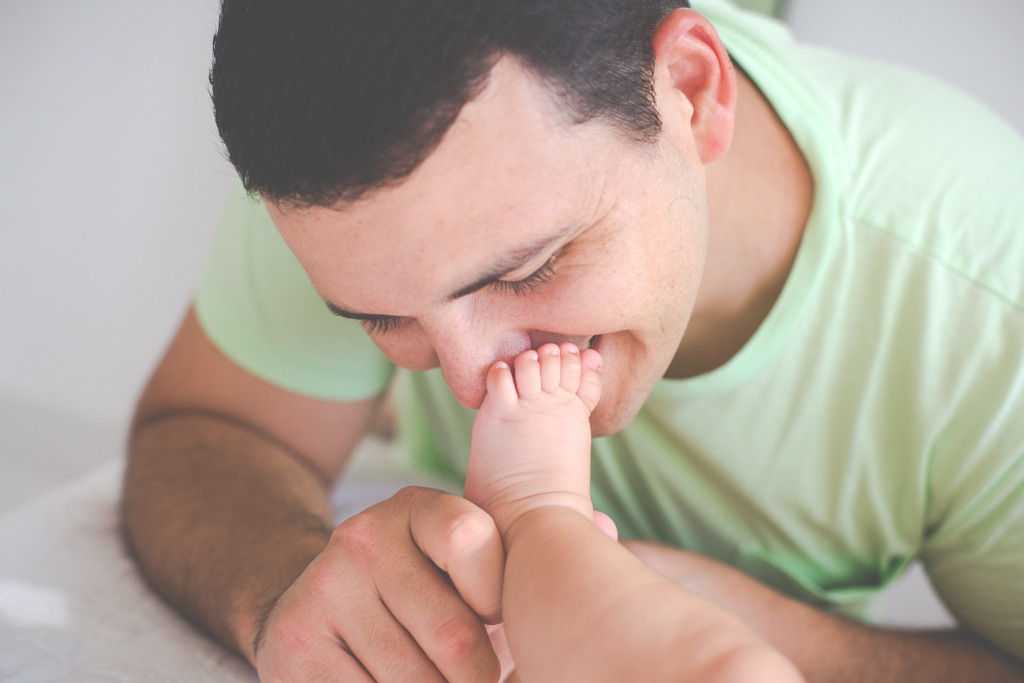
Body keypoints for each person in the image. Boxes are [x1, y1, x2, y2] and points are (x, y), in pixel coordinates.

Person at [122, 0, 1024, 681]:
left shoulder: (989, 303)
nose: (473, 382)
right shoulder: (356, 196)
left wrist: (773, 642)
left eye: (526, 271)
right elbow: (200, 430)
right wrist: (286, 587)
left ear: (691, 93)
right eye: (384, 321)